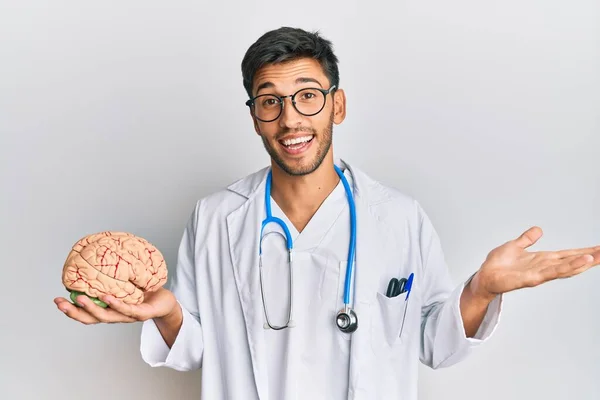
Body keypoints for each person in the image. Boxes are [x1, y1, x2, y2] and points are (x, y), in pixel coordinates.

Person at [54, 27, 600, 400]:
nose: (291, 119)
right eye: (270, 100)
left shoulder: (399, 217)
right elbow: (195, 349)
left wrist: (480, 288)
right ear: (254, 117)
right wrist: (168, 312)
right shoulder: (216, 217)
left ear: (337, 104)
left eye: (308, 96)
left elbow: (435, 345)